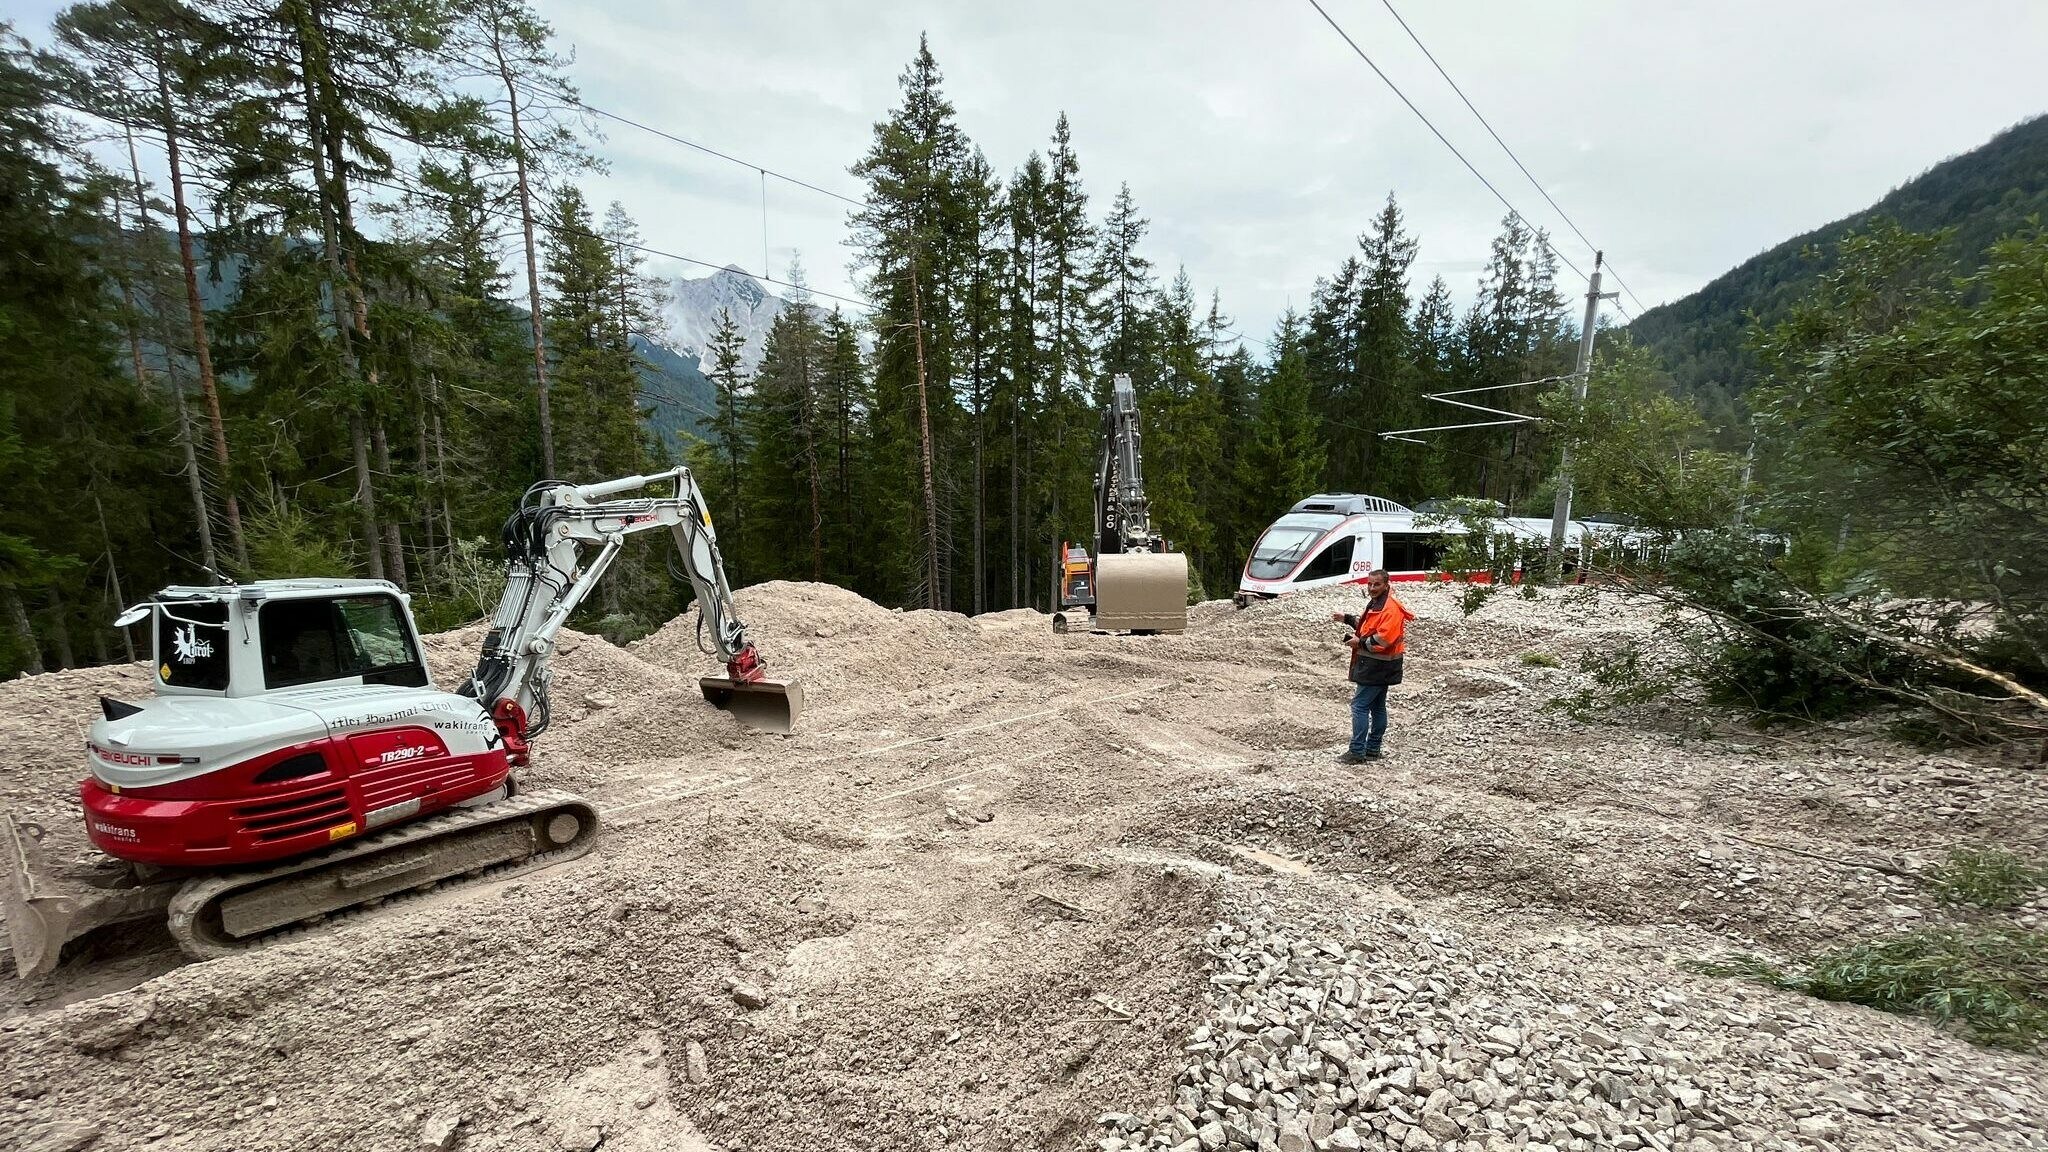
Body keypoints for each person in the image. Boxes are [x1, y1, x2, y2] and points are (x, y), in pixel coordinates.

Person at [1330, 569, 1413, 763]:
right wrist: (1348, 619)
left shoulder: (1390, 608)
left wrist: (1358, 643)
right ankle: (1373, 749)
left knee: (1359, 706)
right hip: (1380, 665)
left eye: (1376, 584)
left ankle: (1357, 751)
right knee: (1377, 706)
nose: (1372, 588)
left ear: (1386, 584)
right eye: (1369, 584)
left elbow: (1383, 639)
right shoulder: (1379, 604)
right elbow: (1368, 626)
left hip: (1377, 666)